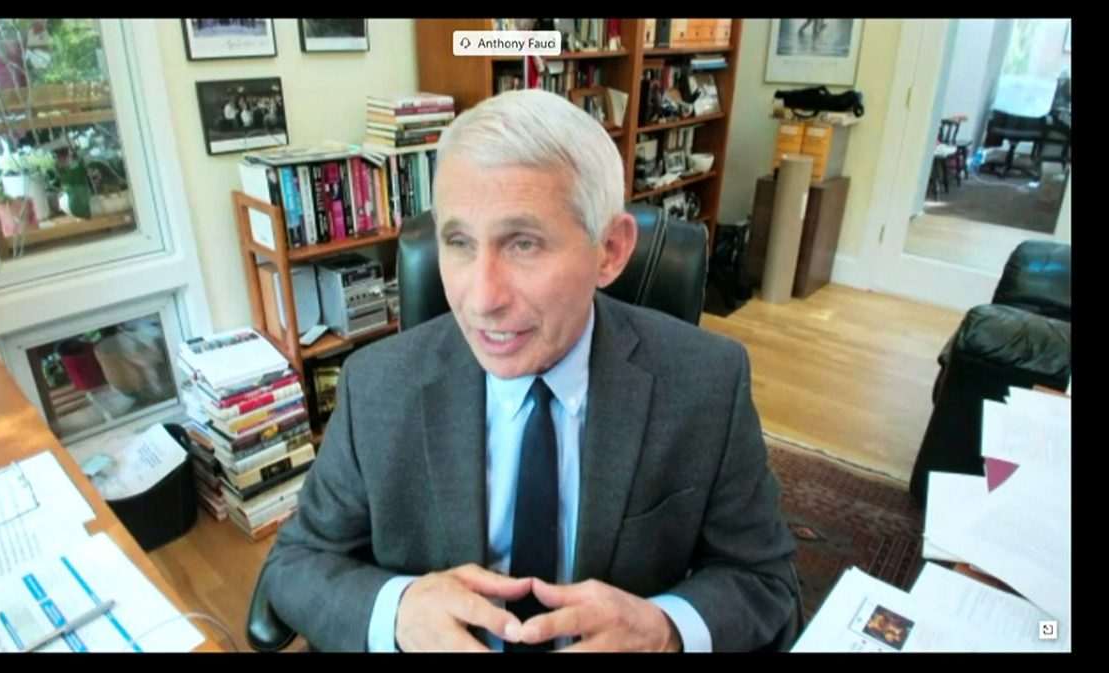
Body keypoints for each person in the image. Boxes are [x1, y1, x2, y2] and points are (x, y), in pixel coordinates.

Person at [264, 88, 798, 652]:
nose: (481, 299)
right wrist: (397, 612)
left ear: (610, 251)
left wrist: (663, 630)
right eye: (460, 242)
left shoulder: (707, 382)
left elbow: (765, 579)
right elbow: (296, 561)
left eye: (523, 244)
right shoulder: (376, 386)